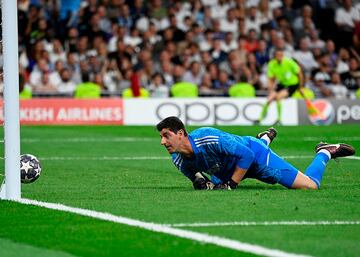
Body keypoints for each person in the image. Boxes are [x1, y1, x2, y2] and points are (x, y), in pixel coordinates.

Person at [156, 116, 355, 190]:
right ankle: (265, 137)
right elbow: (195, 176)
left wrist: (231, 185)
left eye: (166, 135)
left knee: (310, 186)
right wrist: (200, 181)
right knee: (217, 182)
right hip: (226, 170)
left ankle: (324, 152)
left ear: (181, 133)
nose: (162, 142)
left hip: (253, 157)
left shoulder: (208, 137)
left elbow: (247, 156)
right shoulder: (177, 159)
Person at [257, 48, 303, 125]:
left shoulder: (289, 62)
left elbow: (299, 73)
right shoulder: (272, 64)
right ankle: (259, 119)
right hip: (282, 84)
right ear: (275, 56)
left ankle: (279, 119)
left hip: (293, 84)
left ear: (283, 55)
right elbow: (271, 79)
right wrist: (270, 89)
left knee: (278, 97)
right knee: (270, 98)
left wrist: (300, 87)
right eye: (278, 55)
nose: (280, 57)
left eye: (281, 55)